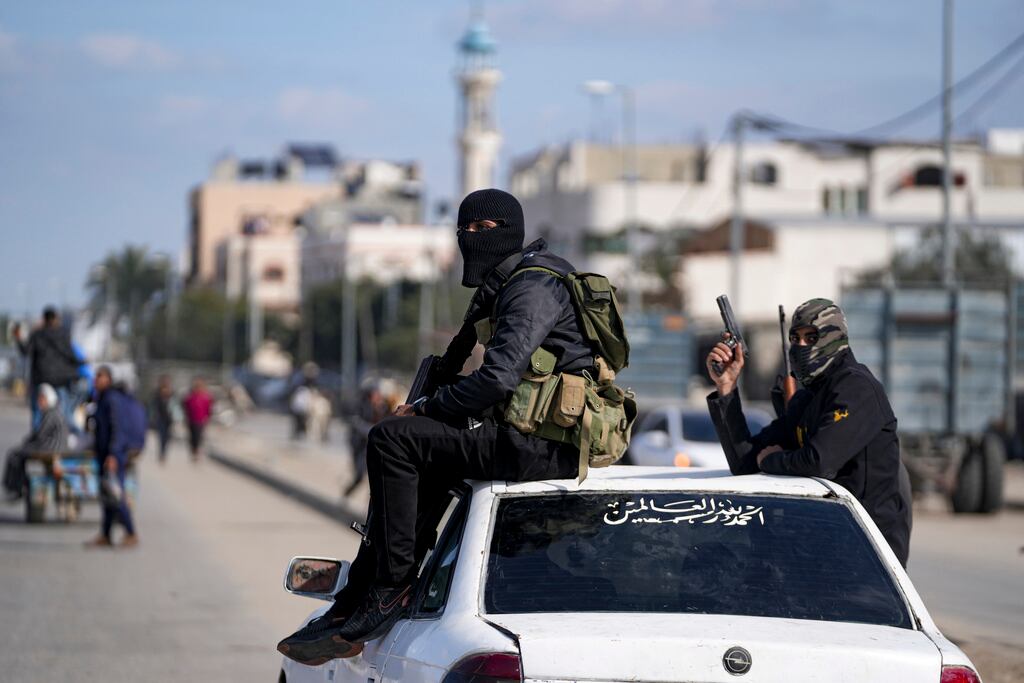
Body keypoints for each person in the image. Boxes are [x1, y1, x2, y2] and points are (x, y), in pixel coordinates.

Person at [278, 188, 596, 664]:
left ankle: (390, 586)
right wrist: (431, 401)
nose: (471, 238)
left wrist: (426, 409)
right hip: (528, 435)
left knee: (390, 438)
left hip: (547, 444)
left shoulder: (532, 286)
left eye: (484, 230)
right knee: (419, 451)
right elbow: (463, 368)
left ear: (511, 232)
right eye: (463, 229)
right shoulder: (504, 283)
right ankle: (360, 595)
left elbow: (497, 378)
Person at [705, 298, 912, 567]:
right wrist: (726, 388)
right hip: (821, 546)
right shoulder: (808, 399)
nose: (801, 346)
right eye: (795, 338)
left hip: (868, 555)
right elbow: (744, 461)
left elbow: (819, 461)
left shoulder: (856, 388)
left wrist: (769, 461)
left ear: (834, 338)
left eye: (811, 337)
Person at [85, 366, 139, 548]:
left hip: (113, 456)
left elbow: (117, 429)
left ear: (108, 379)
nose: (96, 380)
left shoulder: (112, 400)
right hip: (103, 454)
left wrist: (114, 455)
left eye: (100, 376)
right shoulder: (100, 399)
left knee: (117, 495)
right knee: (107, 496)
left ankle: (131, 533)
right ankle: (106, 535)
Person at [13, 306, 80, 430]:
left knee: (38, 414)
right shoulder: (63, 334)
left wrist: (18, 338)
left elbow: (25, 352)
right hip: (61, 380)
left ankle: (38, 442)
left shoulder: (37, 335)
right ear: (55, 319)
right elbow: (71, 355)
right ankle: (61, 440)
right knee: (63, 412)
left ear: (44, 319)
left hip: (41, 378)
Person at [3, 384, 67, 499]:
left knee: (15, 455)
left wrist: (27, 443)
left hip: (49, 448)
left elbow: (40, 435)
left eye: (42, 399)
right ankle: (18, 486)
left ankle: (16, 487)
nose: (39, 402)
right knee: (18, 454)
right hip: (51, 446)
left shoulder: (51, 414)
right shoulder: (53, 412)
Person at [181, 378, 213, 461]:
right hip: (191, 420)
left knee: (199, 436)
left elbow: (209, 409)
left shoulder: (205, 397)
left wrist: (207, 418)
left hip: (201, 420)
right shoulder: (190, 397)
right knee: (192, 436)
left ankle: (197, 451)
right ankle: (193, 450)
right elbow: (185, 407)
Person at [151, 375, 175, 463]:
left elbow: (174, 406)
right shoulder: (157, 393)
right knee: (161, 437)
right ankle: (161, 453)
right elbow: (154, 406)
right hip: (160, 419)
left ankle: (164, 452)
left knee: (167, 437)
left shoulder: (171, 393)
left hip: (169, 419)